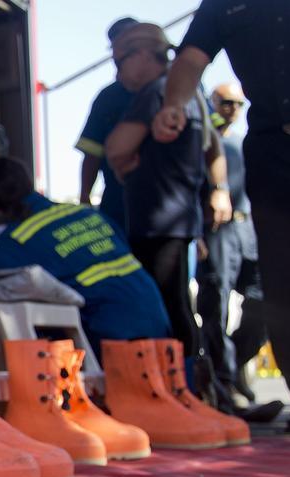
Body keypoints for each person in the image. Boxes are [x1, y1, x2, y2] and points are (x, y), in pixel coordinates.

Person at [152, 0, 290, 431]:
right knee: (284, 282)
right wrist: (174, 104)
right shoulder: (222, 5)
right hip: (274, 153)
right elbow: (191, 59)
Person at [104, 22, 230, 383]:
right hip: (178, 219)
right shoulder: (191, 94)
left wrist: (123, 157)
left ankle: (180, 389)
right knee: (177, 305)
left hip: (159, 221)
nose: (118, 71)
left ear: (143, 54)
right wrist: (219, 189)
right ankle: (188, 387)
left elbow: (116, 147)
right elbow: (213, 146)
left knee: (165, 308)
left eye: (120, 60)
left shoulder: (157, 92)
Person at [0, 157, 171, 351]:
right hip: (156, 314)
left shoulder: (11, 244)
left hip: (112, 332)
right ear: (30, 184)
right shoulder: (87, 214)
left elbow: (11, 312)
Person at [195, 83, 282, 420]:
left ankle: (233, 365)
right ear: (212, 103)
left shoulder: (247, 142)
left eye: (238, 103)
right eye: (225, 102)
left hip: (250, 230)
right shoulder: (202, 138)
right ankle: (226, 382)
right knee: (214, 305)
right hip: (216, 229)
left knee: (263, 305)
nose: (232, 108)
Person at [76, 16, 139, 230]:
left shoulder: (176, 87)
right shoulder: (107, 98)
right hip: (118, 206)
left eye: (128, 46)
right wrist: (84, 197)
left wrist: (217, 190)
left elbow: (208, 144)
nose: (120, 55)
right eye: (116, 48)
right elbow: (92, 152)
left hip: (171, 211)